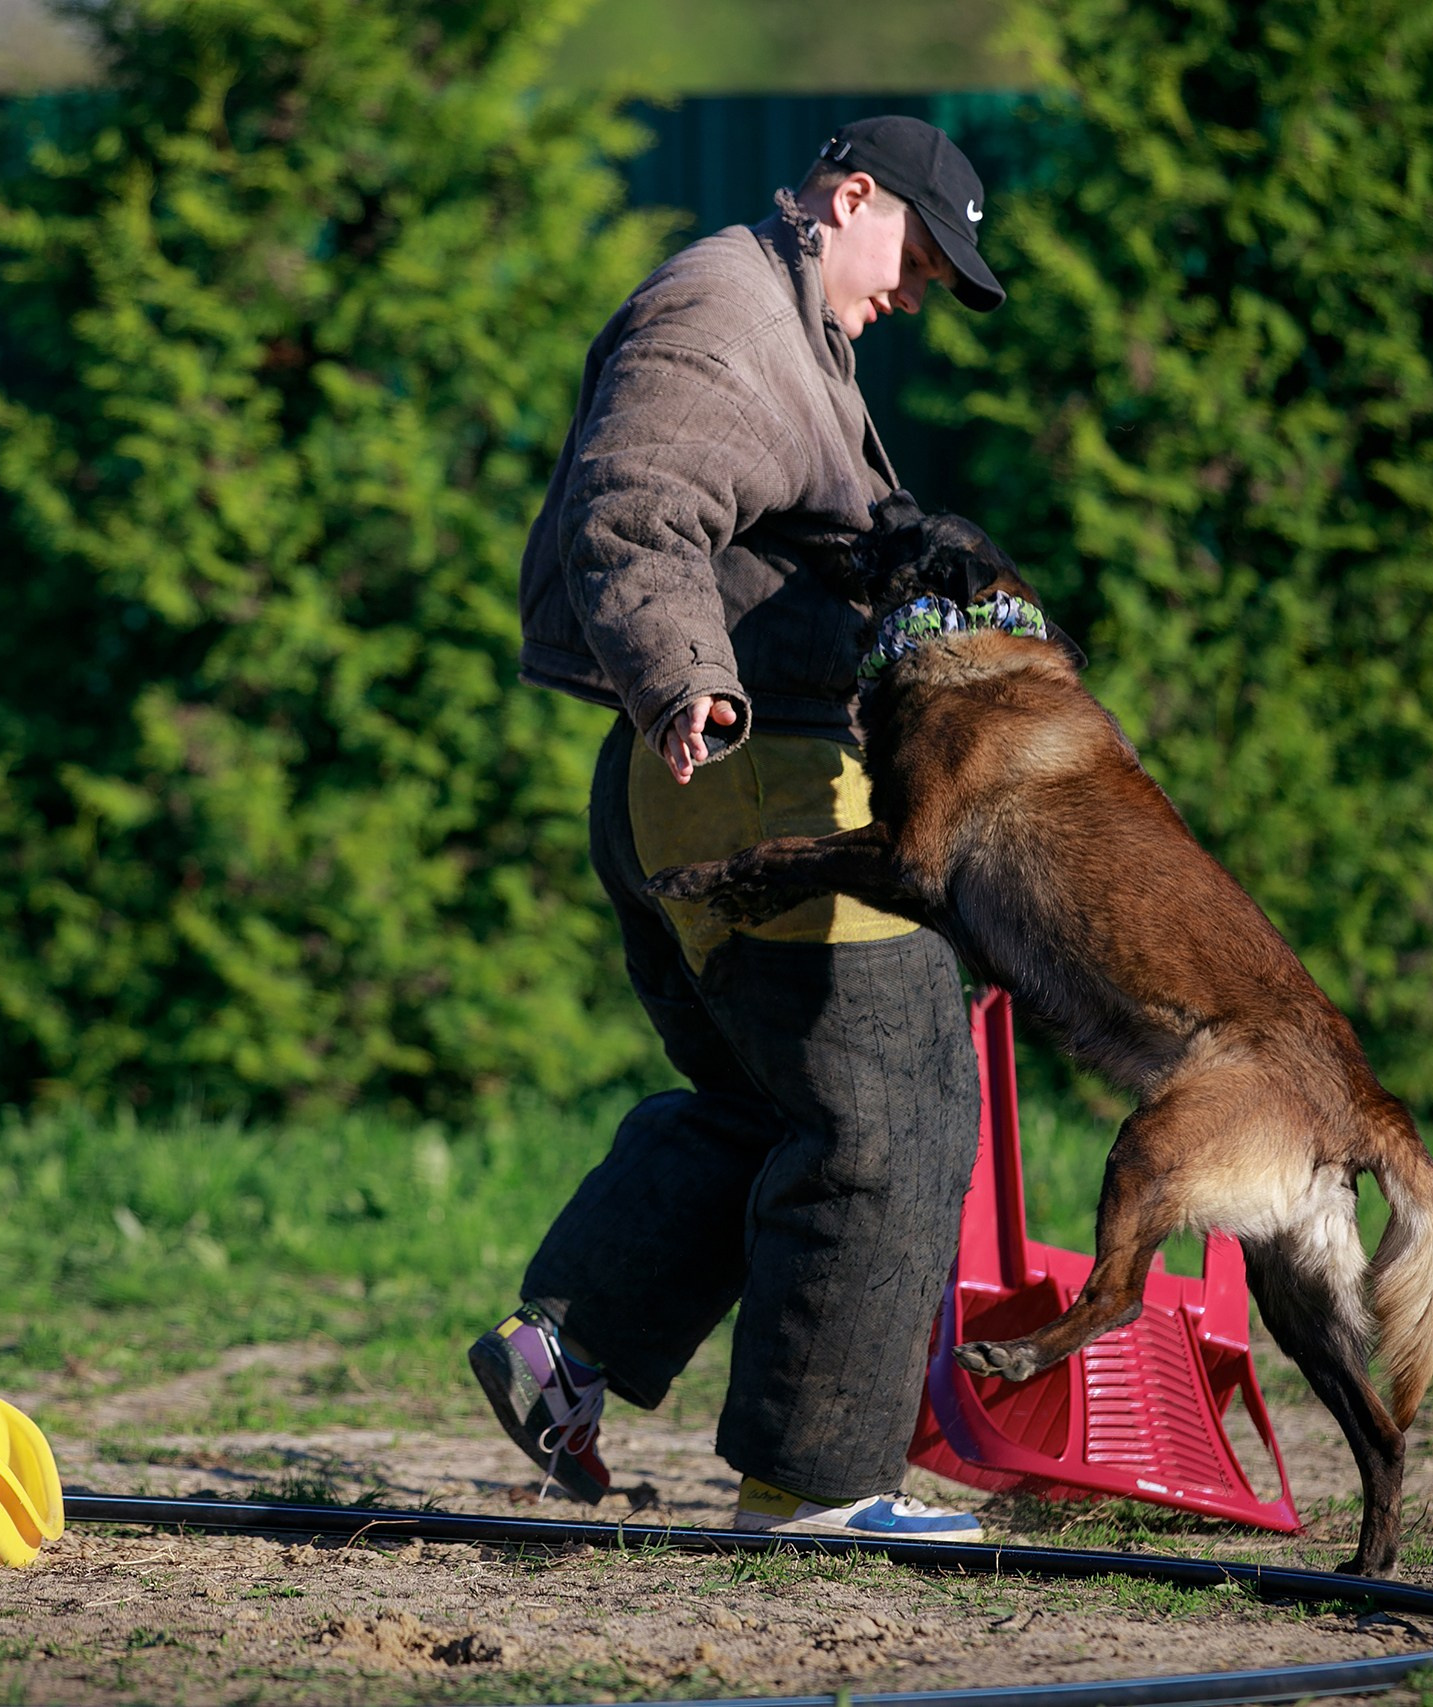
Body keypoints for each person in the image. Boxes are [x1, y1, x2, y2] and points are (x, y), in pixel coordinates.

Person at [473, 117, 1008, 1539]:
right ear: (852, 197)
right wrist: (687, 679)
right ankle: (818, 1486)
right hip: (750, 768)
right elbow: (637, 506)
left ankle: (568, 1347)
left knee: (772, 1104)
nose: (919, 295)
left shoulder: (792, 330)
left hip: (713, 775)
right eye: (919, 259)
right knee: (888, 1108)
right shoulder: (723, 315)